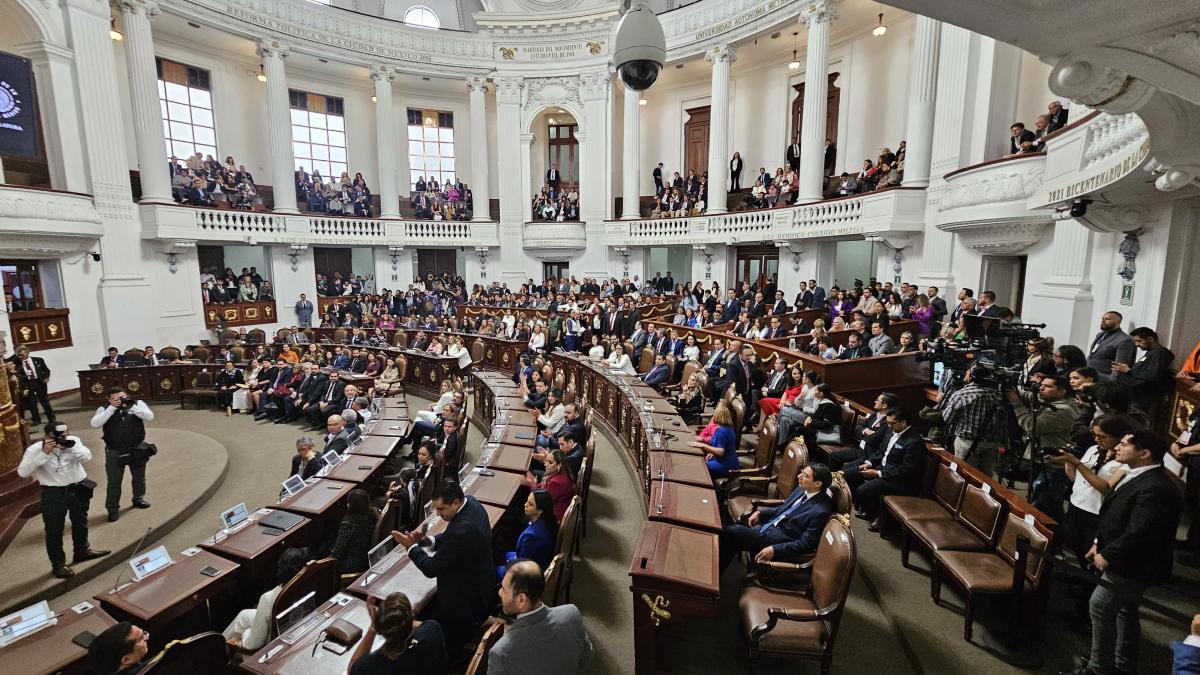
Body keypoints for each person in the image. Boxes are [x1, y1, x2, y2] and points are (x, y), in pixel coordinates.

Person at [1067, 432, 1183, 675]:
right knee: (1124, 610)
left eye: (1124, 444)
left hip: (1133, 563)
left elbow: (1140, 531)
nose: (1117, 447)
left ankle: (1099, 669)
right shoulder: (1137, 474)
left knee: (1100, 607)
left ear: (1144, 453)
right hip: (1123, 555)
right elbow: (1117, 515)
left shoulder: (1155, 487)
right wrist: (1099, 542)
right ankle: (1123, 664)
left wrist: (1108, 554)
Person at [391, 482, 495, 655]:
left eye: (442, 509)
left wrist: (410, 547)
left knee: (443, 638)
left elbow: (431, 568)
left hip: (466, 601)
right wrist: (426, 541)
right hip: (481, 582)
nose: (439, 515)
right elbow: (450, 537)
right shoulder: (471, 503)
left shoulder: (464, 530)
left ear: (455, 502)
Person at [17, 422, 109, 579]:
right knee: (54, 529)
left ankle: (82, 551)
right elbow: (23, 473)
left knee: (81, 521)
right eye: (59, 436)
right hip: (54, 493)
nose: (63, 438)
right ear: (47, 437)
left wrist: (71, 448)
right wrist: (44, 453)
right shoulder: (34, 449)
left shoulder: (73, 441)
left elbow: (87, 456)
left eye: (65, 434)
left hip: (78, 487)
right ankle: (58, 564)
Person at [718, 463, 834, 571]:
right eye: (801, 472)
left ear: (817, 483)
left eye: (805, 476)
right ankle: (717, 572)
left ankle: (715, 574)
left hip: (779, 538)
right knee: (730, 535)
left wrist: (775, 549)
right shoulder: (803, 488)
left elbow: (805, 544)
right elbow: (783, 509)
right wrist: (760, 513)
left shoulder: (820, 511)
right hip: (768, 526)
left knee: (731, 532)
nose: (799, 476)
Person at [490, 559, 593, 675]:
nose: (499, 593)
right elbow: (586, 658)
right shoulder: (571, 612)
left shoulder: (500, 652)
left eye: (503, 589)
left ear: (521, 599)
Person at [844, 408, 926, 531]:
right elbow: (881, 451)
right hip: (881, 468)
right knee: (847, 474)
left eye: (892, 423)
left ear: (903, 422)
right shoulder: (890, 431)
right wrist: (869, 462)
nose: (889, 426)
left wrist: (878, 473)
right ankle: (868, 509)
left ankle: (876, 516)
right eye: (888, 423)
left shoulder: (914, 441)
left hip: (898, 479)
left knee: (862, 490)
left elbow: (907, 470)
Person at [223, 547, 310, 651]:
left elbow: (255, 644)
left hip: (277, 638)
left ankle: (215, 653)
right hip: (297, 620)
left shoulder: (269, 598)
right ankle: (217, 647)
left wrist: (241, 640)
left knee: (245, 630)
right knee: (243, 616)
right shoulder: (310, 580)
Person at [90, 387, 154, 522]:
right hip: (115, 450)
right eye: (116, 398)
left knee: (139, 478)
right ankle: (112, 509)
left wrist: (132, 407)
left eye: (123, 396)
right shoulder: (104, 408)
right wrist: (112, 408)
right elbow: (95, 424)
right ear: (109, 399)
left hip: (136, 448)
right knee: (114, 482)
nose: (121, 400)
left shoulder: (137, 404)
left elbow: (149, 416)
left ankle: (138, 498)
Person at [348, 592, 447, 675]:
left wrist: (373, 628)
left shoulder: (376, 663)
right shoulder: (432, 629)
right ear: (411, 616)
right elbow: (421, 624)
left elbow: (352, 667)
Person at [940, 364, 1007, 478]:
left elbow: (947, 418)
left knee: (965, 476)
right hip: (991, 443)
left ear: (972, 377)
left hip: (967, 442)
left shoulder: (962, 394)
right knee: (986, 479)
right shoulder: (997, 396)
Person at [498, 490, 558, 578]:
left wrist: (509, 562)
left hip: (527, 575)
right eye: (527, 501)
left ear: (540, 511)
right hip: (531, 561)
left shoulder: (532, 537)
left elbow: (522, 565)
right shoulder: (547, 520)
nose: (525, 505)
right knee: (501, 554)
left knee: (493, 571)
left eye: (530, 504)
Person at [328, 489, 379, 575]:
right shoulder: (373, 515)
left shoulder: (349, 524)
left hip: (352, 565)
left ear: (351, 505)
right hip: (366, 559)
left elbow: (337, 553)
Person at [689, 402, 738, 478]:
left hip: (724, 464)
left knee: (699, 467)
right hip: (731, 461)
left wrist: (703, 445)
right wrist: (713, 453)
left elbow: (721, 451)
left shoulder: (721, 431)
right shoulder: (728, 427)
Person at [1086, 311, 1135, 377]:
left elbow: (1119, 367)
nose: (1103, 321)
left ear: (1118, 322)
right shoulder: (1099, 335)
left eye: (1107, 319)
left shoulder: (1124, 340)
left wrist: (1111, 384)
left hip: (1104, 379)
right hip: (1090, 375)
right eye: (1103, 319)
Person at [12, 346, 53, 424]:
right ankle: (36, 419)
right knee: (32, 403)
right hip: (27, 383)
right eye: (19, 354)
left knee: (44, 401)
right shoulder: (17, 363)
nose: (21, 355)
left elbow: (47, 371)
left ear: (27, 352)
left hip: (39, 382)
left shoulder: (38, 360)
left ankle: (51, 418)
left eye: (22, 353)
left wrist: (46, 378)